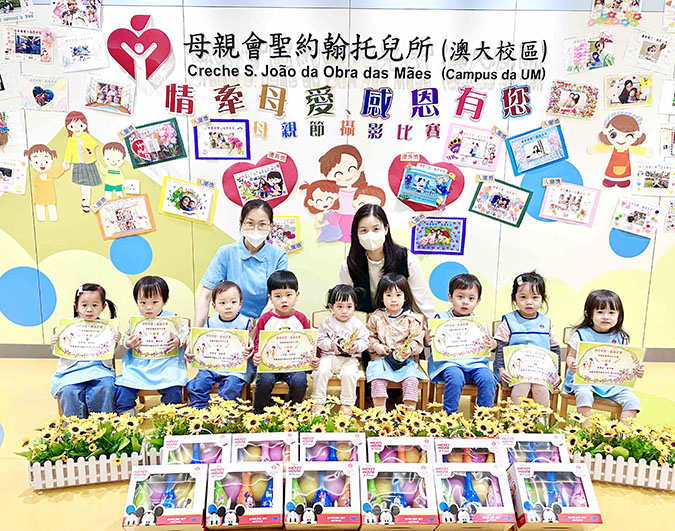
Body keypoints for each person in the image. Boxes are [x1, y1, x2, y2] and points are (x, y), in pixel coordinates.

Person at [196, 200, 288, 325]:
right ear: (241, 223)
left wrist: (257, 327)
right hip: (232, 323)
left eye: (262, 224)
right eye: (250, 223)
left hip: (267, 322)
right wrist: (197, 331)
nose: (256, 228)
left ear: (271, 226)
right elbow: (206, 295)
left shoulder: (278, 255)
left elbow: (277, 297)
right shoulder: (226, 252)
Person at [338, 204, 436, 318]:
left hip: (401, 321)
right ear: (356, 233)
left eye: (376, 229)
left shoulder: (406, 258)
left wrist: (434, 323)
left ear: (385, 229)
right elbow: (342, 301)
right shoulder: (349, 265)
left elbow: (422, 299)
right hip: (365, 323)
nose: (370, 235)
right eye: (364, 230)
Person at [564, 289, 644, 424]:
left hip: (612, 383)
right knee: (584, 394)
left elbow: (628, 362)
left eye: (612, 313)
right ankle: (585, 431)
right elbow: (571, 356)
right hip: (585, 382)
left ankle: (622, 433)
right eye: (600, 312)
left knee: (633, 401)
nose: (606, 317)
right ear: (588, 314)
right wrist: (572, 363)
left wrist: (637, 370)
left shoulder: (621, 337)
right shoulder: (581, 335)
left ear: (619, 315)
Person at [115, 276, 189, 414]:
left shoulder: (173, 318)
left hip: (167, 363)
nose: (148, 307)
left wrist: (179, 340)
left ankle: (171, 412)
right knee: (124, 387)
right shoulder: (135, 320)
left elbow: (186, 332)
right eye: (143, 302)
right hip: (139, 365)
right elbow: (126, 336)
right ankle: (126, 412)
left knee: (173, 388)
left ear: (164, 301)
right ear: (136, 302)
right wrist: (128, 343)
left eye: (155, 302)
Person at [427, 274, 498, 414]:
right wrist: (427, 339)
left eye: (471, 298)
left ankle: (483, 420)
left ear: (478, 301)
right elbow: (432, 344)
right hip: (450, 364)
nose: (465, 302)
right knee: (455, 377)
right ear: (450, 297)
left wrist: (493, 344)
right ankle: (450, 417)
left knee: (489, 379)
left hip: (476, 364)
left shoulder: (478, 322)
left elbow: (490, 342)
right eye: (460, 297)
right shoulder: (441, 319)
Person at [50, 284, 120, 418]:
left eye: (94, 305)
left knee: (106, 386)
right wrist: (55, 343)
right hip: (71, 371)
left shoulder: (107, 328)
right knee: (68, 390)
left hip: (99, 369)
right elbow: (60, 351)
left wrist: (116, 341)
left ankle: (102, 423)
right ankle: (76, 426)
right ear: (76, 306)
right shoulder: (68, 328)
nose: (89, 309)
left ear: (103, 307)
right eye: (84, 305)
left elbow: (110, 351)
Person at [494, 271, 562, 406]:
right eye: (523, 297)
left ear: (543, 299)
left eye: (535, 297)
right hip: (514, 371)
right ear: (514, 298)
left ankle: (541, 417)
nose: (529, 302)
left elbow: (555, 349)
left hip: (540, 371)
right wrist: (501, 369)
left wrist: (557, 373)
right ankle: (516, 416)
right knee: (523, 384)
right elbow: (500, 346)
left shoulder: (546, 323)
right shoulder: (509, 321)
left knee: (541, 387)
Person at [186, 281, 254, 408]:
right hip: (212, 366)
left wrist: (249, 349)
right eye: (222, 303)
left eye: (233, 302)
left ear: (240, 304)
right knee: (198, 384)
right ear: (214, 306)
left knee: (231, 387)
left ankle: (226, 412)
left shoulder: (246, 323)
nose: (228, 306)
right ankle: (199, 410)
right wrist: (193, 350)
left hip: (235, 369)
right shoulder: (210, 322)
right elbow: (201, 342)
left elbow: (250, 345)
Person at [366, 273, 427, 410]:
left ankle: (409, 414)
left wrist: (409, 349)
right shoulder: (376, 317)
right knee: (377, 379)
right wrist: (376, 346)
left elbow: (417, 340)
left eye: (398, 295)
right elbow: (369, 337)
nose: (393, 300)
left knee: (411, 380)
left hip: (405, 361)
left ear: (405, 297)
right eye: (388, 295)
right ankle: (379, 412)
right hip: (381, 360)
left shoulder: (411, 319)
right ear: (381, 297)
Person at [252, 270, 310, 412]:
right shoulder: (265, 319)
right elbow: (258, 342)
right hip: (270, 365)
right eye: (278, 296)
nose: (284, 300)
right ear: (270, 298)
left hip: (294, 365)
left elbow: (308, 344)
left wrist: (311, 358)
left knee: (299, 381)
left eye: (289, 295)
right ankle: (259, 412)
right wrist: (257, 354)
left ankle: (292, 411)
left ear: (297, 295)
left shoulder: (301, 319)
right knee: (265, 381)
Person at [311, 284, 369, 414]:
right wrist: (330, 344)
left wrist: (357, 346)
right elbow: (319, 340)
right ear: (331, 307)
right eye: (340, 307)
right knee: (321, 371)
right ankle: (318, 401)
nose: (344, 311)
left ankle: (347, 404)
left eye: (349, 307)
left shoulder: (357, 324)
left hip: (349, 359)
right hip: (329, 357)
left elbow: (365, 341)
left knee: (349, 375)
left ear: (354, 307)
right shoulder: (326, 322)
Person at [588, 113, 652, 188]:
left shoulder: (628, 147)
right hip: (611, 167)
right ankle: (610, 179)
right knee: (610, 172)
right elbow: (604, 148)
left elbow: (637, 150)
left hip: (625, 168)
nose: (621, 139)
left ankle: (623, 179)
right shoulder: (614, 147)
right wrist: (595, 149)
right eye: (613, 135)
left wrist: (645, 151)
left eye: (629, 135)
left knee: (624, 173)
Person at [62, 111, 101, 213]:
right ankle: (85, 201)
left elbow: (93, 145)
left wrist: (83, 144)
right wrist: (66, 161)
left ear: (84, 124)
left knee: (87, 183)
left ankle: (86, 201)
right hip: (77, 163)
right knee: (83, 183)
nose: (77, 128)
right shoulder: (71, 139)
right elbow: (68, 151)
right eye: (72, 126)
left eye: (80, 125)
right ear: (68, 127)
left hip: (88, 162)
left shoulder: (85, 135)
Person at [25, 144, 64, 222]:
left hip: (49, 194)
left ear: (51, 160)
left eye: (46, 161)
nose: (42, 164)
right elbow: (35, 183)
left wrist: (63, 167)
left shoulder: (49, 173)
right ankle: (41, 217)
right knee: (40, 206)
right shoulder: (39, 175)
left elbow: (56, 173)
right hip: (40, 194)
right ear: (31, 162)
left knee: (51, 206)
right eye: (36, 162)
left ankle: (53, 217)